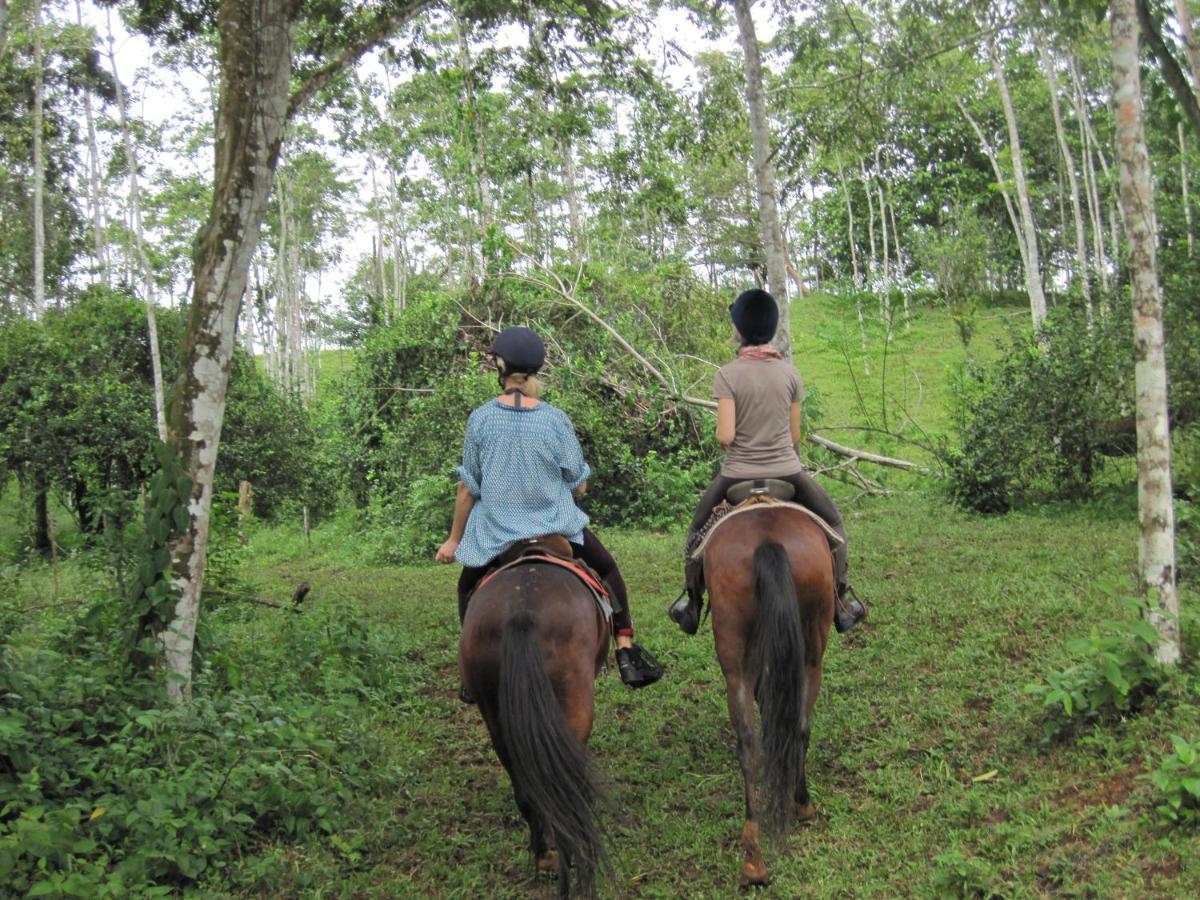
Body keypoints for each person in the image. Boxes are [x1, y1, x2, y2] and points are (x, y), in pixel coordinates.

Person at [436, 325, 662, 695]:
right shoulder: (555, 419)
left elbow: (467, 489)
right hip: (556, 528)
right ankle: (625, 651)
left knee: (466, 587)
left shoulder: (480, 418)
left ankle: (470, 672)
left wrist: (453, 540)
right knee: (606, 568)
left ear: (501, 367)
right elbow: (579, 482)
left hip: (497, 535)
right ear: (535, 371)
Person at [668, 289, 867, 636]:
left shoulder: (727, 375)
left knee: (696, 530)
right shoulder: (790, 374)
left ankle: (692, 603)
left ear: (739, 331)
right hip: (788, 471)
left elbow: (726, 437)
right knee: (835, 523)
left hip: (735, 475)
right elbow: (794, 436)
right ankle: (841, 599)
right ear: (772, 329)